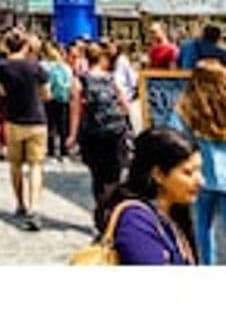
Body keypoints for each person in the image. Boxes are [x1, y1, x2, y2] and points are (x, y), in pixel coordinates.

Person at [96, 127, 201, 265]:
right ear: (158, 175)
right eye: (188, 173)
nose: (200, 181)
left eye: (199, 170)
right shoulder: (135, 222)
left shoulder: (173, 212)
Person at [0, 31, 50, 231]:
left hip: (13, 120)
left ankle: (20, 204)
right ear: (25, 46)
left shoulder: (1, 67)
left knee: (15, 165)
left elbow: (1, 91)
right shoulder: (36, 67)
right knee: (36, 166)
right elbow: (46, 93)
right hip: (36, 120)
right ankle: (35, 208)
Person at [171, 62, 226, 264]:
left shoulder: (185, 107)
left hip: (199, 177)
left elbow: (175, 137)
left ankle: (206, 267)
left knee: (203, 226)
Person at [68, 42, 132, 206]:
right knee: (114, 174)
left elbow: (75, 110)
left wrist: (73, 135)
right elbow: (126, 106)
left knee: (98, 175)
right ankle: (113, 211)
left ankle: (102, 213)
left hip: (92, 133)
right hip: (115, 132)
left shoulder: (80, 81)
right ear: (102, 58)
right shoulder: (112, 78)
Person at [40, 42, 72, 161]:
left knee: (49, 125)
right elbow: (69, 83)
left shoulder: (43, 66)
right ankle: (64, 152)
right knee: (63, 126)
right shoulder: (65, 67)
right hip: (63, 99)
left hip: (49, 98)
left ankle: (51, 151)